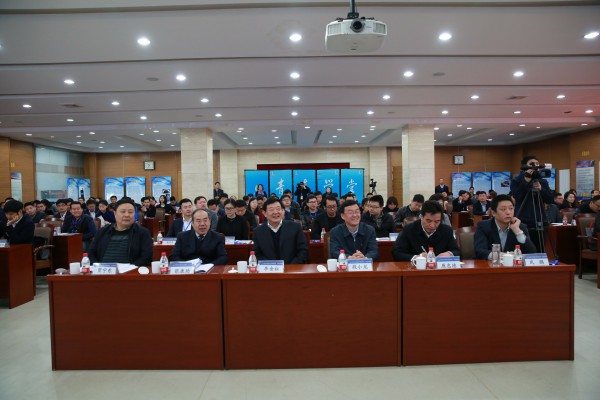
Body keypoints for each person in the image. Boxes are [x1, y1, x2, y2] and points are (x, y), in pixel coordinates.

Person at [88, 198, 153, 266]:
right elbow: (91, 253)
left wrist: (130, 268)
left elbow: (147, 257)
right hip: (103, 270)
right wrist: (97, 267)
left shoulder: (143, 233)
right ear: (115, 213)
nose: (127, 215)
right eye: (123, 212)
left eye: (130, 212)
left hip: (130, 271)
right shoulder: (102, 231)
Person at [510, 155, 555, 252]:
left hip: (540, 219)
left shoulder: (542, 181)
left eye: (537, 164)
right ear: (524, 166)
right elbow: (517, 195)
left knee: (540, 249)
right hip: (523, 219)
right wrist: (526, 182)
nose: (535, 166)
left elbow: (550, 199)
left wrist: (541, 189)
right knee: (525, 249)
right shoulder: (517, 180)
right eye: (532, 164)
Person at [392, 200, 460, 261]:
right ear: (421, 217)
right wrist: (416, 258)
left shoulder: (446, 231)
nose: (432, 225)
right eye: (428, 221)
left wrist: (449, 254)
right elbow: (397, 253)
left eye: (437, 222)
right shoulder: (409, 229)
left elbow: (457, 252)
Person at [474, 194, 537, 259]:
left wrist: (517, 231)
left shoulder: (520, 227)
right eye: (503, 209)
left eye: (511, 208)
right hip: (491, 264)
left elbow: (531, 252)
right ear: (493, 213)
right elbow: (479, 251)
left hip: (513, 265)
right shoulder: (484, 226)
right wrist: (503, 255)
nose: (508, 212)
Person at [252, 197, 307, 264]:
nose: (275, 212)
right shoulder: (258, 231)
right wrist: (271, 266)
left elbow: (303, 250)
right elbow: (256, 254)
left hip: (292, 268)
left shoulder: (295, 227)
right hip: (269, 268)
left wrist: (291, 267)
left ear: (283, 211)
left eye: (278, 209)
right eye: (271, 209)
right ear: (264, 213)